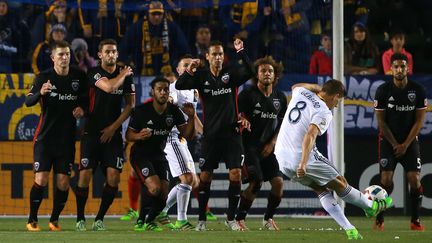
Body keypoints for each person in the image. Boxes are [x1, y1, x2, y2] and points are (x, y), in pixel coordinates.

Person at [274, 80, 392, 240]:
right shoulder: (324, 111)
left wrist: (319, 89)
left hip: (281, 158)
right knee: (340, 182)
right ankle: (371, 206)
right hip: (300, 157)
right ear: (336, 96)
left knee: (320, 189)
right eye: (338, 101)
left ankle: (350, 229)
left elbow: (295, 85)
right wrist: (302, 162)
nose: (336, 105)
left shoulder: (301, 92)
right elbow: (310, 134)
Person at [175, 39, 254, 231]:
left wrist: (241, 51)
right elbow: (179, 85)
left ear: (223, 57)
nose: (218, 57)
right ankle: (201, 220)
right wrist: (191, 67)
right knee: (205, 177)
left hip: (232, 135)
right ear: (208, 57)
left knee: (235, 174)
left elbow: (251, 71)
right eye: (214, 54)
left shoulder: (231, 75)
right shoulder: (201, 78)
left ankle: (231, 219)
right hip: (210, 136)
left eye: (220, 54)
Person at [25, 40, 86, 231]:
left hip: (67, 141)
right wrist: (40, 93)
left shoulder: (79, 76)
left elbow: (86, 98)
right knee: (41, 180)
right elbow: (28, 101)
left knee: (63, 182)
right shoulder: (43, 78)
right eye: (60, 54)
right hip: (44, 139)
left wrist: (81, 108)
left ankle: (54, 220)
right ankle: (32, 219)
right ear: (53, 58)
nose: (65, 57)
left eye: (67, 54)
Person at [75, 39, 135, 231]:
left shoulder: (126, 77)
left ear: (117, 54)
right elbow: (109, 87)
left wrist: (113, 127)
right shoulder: (94, 73)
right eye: (107, 52)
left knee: (113, 178)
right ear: (100, 55)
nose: (111, 55)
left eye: (114, 52)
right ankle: (80, 218)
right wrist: (124, 73)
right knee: (84, 176)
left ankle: (99, 219)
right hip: (91, 132)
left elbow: (130, 105)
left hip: (113, 135)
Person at [126, 77, 195, 231]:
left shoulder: (173, 110)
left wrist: (191, 117)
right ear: (153, 92)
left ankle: (149, 221)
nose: (163, 92)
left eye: (166, 89)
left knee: (163, 195)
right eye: (159, 89)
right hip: (140, 154)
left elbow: (188, 135)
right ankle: (141, 220)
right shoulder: (142, 111)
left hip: (159, 154)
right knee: (154, 188)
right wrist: (139, 136)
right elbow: (128, 135)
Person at [373, 53, 427, 231]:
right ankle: (380, 219)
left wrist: (405, 144)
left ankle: (415, 221)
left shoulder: (418, 90)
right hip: (389, 141)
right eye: (395, 66)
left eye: (402, 66)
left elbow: (419, 121)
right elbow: (381, 122)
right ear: (390, 69)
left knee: (414, 179)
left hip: (410, 141)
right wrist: (396, 144)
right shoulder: (383, 90)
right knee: (386, 179)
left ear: (407, 68)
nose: (399, 69)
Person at [235, 56, 287, 230]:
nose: (267, 73)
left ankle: (267, 219)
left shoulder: (280, 98)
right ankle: (239, 219)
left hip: (268, 148)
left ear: (275, 75)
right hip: (248, 147)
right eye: (263, 71)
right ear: (257, 75)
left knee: (279, 183)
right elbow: (238, 115)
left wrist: (272, 143)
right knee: (256, 182)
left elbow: (281, 125)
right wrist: (242, 119)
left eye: (270, 71)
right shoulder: (247, 94)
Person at [155, 55, 202, 230]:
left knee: (192, 182)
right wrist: (173, 102)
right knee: (188, 178)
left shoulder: (194, 91)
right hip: (171, 137)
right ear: (179, 70)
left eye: (193, 65)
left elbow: (194, 117)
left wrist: (208, 134)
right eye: (186, 65)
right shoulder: (173, 88)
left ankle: (160, 210)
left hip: (182, 139)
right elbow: (170, 101)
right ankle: (181, 220)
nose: (191, 68)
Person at [119, 1, 190, 76]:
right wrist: (130, 63)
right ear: (147, 13)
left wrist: (177, 64)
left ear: (163, 14)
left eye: (159, 14)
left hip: (168, 72)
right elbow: (123, 50)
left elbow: (184, 49)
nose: (157, 17)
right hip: (141, 71)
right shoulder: (137, 27)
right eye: (153, 14)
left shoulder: (172, 27)